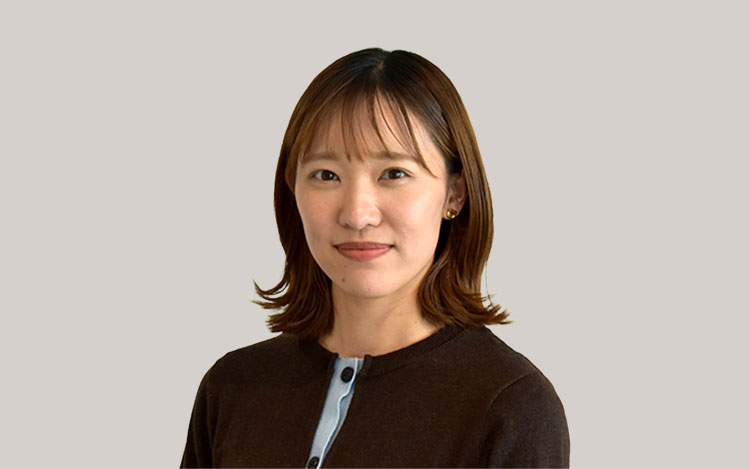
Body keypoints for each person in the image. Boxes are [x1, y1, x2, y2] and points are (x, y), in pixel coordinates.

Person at [180, 48, 569, 468]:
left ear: (454, 194)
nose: (357, 214)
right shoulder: (231, 387)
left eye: (394, 173)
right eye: (326, 175)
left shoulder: (509, 406)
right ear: (293, 190)